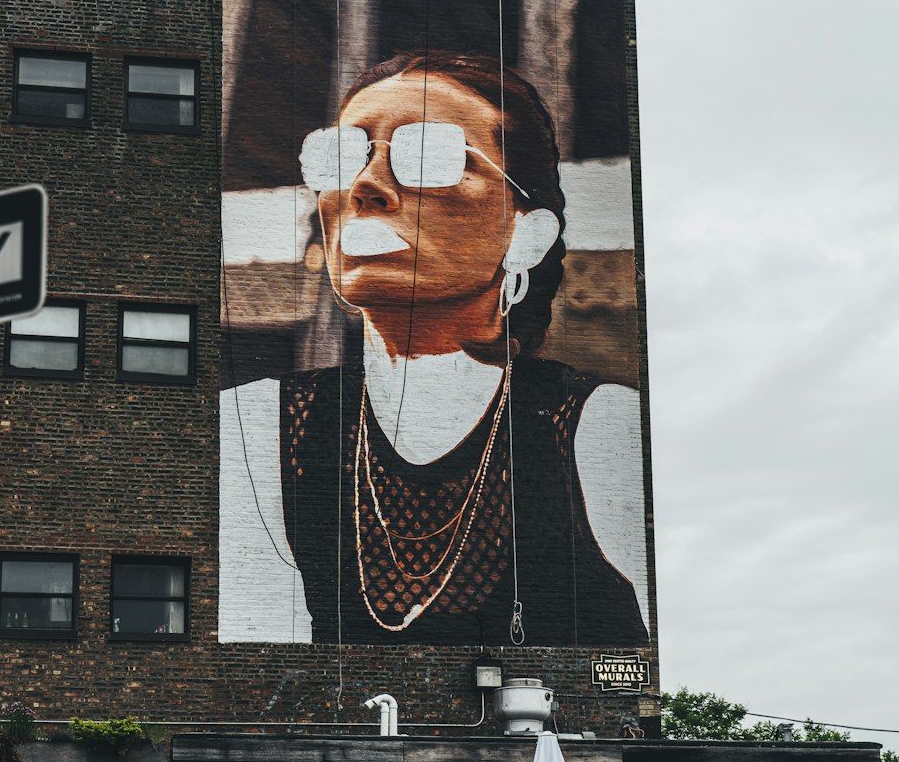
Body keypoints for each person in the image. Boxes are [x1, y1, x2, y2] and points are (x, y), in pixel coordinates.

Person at [220, 50, 649, 647]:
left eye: (430, 156)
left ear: (527, 232)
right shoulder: (254, 425)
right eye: (338, 157)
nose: (365, 186)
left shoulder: (600, 427)